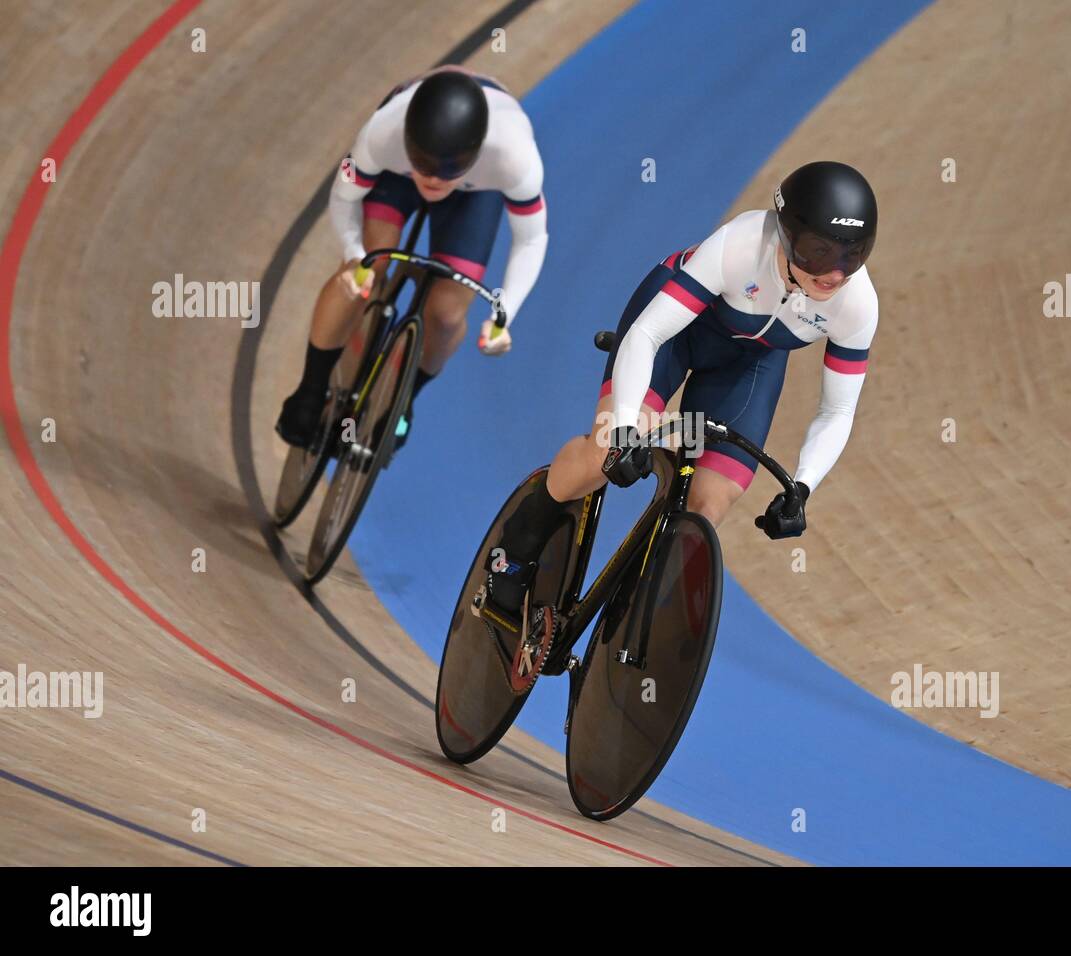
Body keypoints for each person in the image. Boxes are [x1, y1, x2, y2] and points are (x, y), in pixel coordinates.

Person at [485, 160, 879, 618]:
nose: (835, 273)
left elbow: (837, 412)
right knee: (605, 452)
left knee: (709, 503)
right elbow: (648, 335)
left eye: (852, 256)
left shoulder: (857, 304)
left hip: (747, 365)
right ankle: (517, 544)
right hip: (675, 333)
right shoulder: (741, 244)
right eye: (820, 251)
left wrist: (803, 485)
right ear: (788, 235)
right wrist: (629, 428)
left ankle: (630, 618)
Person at [276, 66, 548, 449]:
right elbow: (343, 198)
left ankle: (404, 399)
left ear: (476, 154)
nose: (434, 179)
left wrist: (506, 313)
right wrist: (356, 256)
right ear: (407, 140)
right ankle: (309, 389)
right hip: (395, 175)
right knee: (370, 267)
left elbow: (532, 241)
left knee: (448, 314)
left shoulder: (513, 157)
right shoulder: (382, 133)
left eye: (448, 169)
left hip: (474, 191)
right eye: (423, 161)